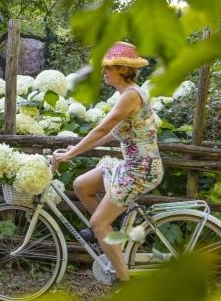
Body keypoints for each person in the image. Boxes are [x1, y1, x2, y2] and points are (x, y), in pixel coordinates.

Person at [51, 42, 164, 282]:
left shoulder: (131, 95)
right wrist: (78, 149)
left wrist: (70, 155)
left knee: (97, 223)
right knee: (82, 185)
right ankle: (106, 233)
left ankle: (124, 283)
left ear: (122, 70)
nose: (103, 72)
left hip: (140, 171)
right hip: (131, 166)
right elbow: (111, 134)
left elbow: (102, 128)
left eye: (108, 68)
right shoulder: (127, 93)